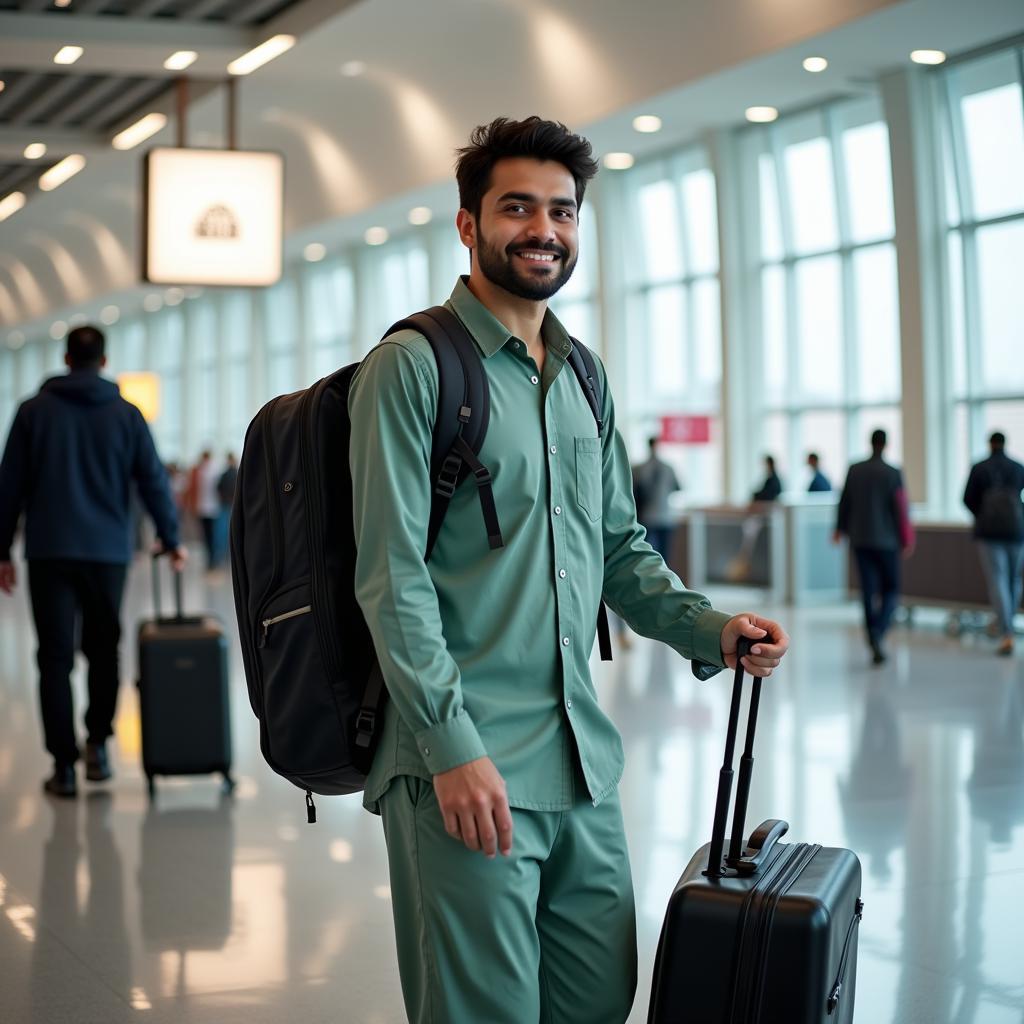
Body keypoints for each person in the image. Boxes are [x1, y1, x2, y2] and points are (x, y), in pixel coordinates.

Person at [348, 115, 790, 1024]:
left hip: (582, 764)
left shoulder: (584, 375)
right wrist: (450, 745)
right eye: (517, 207)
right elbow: (392, 575)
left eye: (563, 210)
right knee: (485, 1012)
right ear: (468, 224)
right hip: (464, 762)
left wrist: (711, 628)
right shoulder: (412, 368)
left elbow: (618, 550)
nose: (543, 229)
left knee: (596, 1001)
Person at [0, 325, 186, 798]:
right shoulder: (126, 415)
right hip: (107, 553)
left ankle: (63, 765)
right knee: (105, 651)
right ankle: (98, 747)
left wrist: (2, 550)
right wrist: (171, 536)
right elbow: (152, 480)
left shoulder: (32, 412)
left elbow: (9, 488)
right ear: (104, 362)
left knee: (55, 658)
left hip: (50, 552)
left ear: (66, 358)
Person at [833, 429, 914, 666]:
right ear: (886, 445)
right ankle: (879, 628)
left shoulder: (855, 469)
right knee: (891, 588)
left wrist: (839, 529)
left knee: (868, 589)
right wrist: (906, 538)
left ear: (871, 443)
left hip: (860, 539)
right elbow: (901, 509)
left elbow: (844, 501)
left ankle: (872, 633)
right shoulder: (893, 472)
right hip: (887, 541)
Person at [963, 432, 1024, 656]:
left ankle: (1006, 629)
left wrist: (982, 515)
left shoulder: (980, 468)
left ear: (990, 444)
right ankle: (1005, 621)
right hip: (1016, 531)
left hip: (989, 533)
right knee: (1013, 579)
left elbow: (967, 498)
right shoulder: (1018, 468)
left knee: (997, 579)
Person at [632, 436, 682, 561]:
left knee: (645, 552)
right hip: (658, 515)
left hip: (649, 516)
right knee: (663, 553)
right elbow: (677, 488)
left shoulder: (638, 469)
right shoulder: (667, 468)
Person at [194, 449, 221, 569]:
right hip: (209, 507)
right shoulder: (207, 470)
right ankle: (211, 559)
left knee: (210, 536)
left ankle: (212, 559)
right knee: (209, 536)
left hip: (209, 507)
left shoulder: (206, 470)